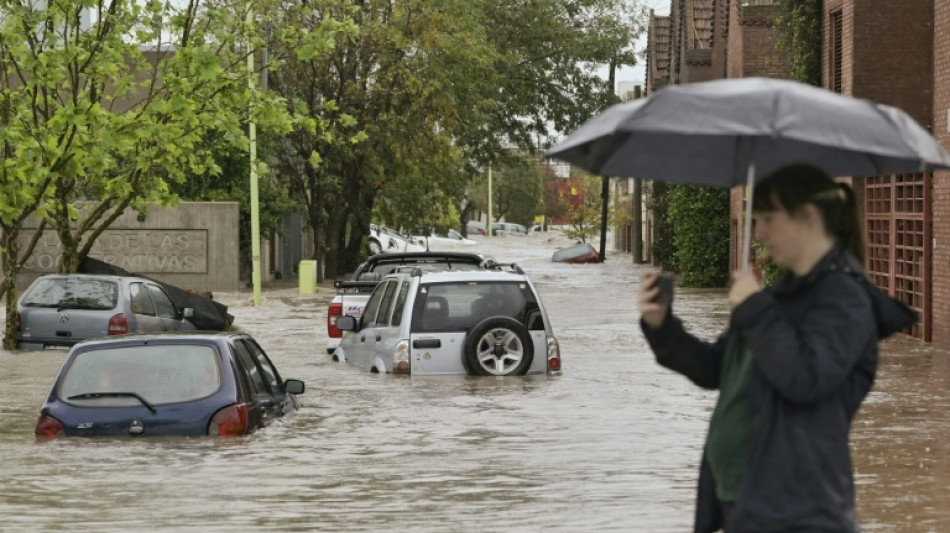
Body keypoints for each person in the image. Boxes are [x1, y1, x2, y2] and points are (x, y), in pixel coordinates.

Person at [638, 164, 916, 533]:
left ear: (808, 217)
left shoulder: (844, 300)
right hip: (744, 500)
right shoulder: (777, 297)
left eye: (768, 219)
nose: (758, 234)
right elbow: (715, 369)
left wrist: (755, 309)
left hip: (798, 510)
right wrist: (662, 327)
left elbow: (806, 379)